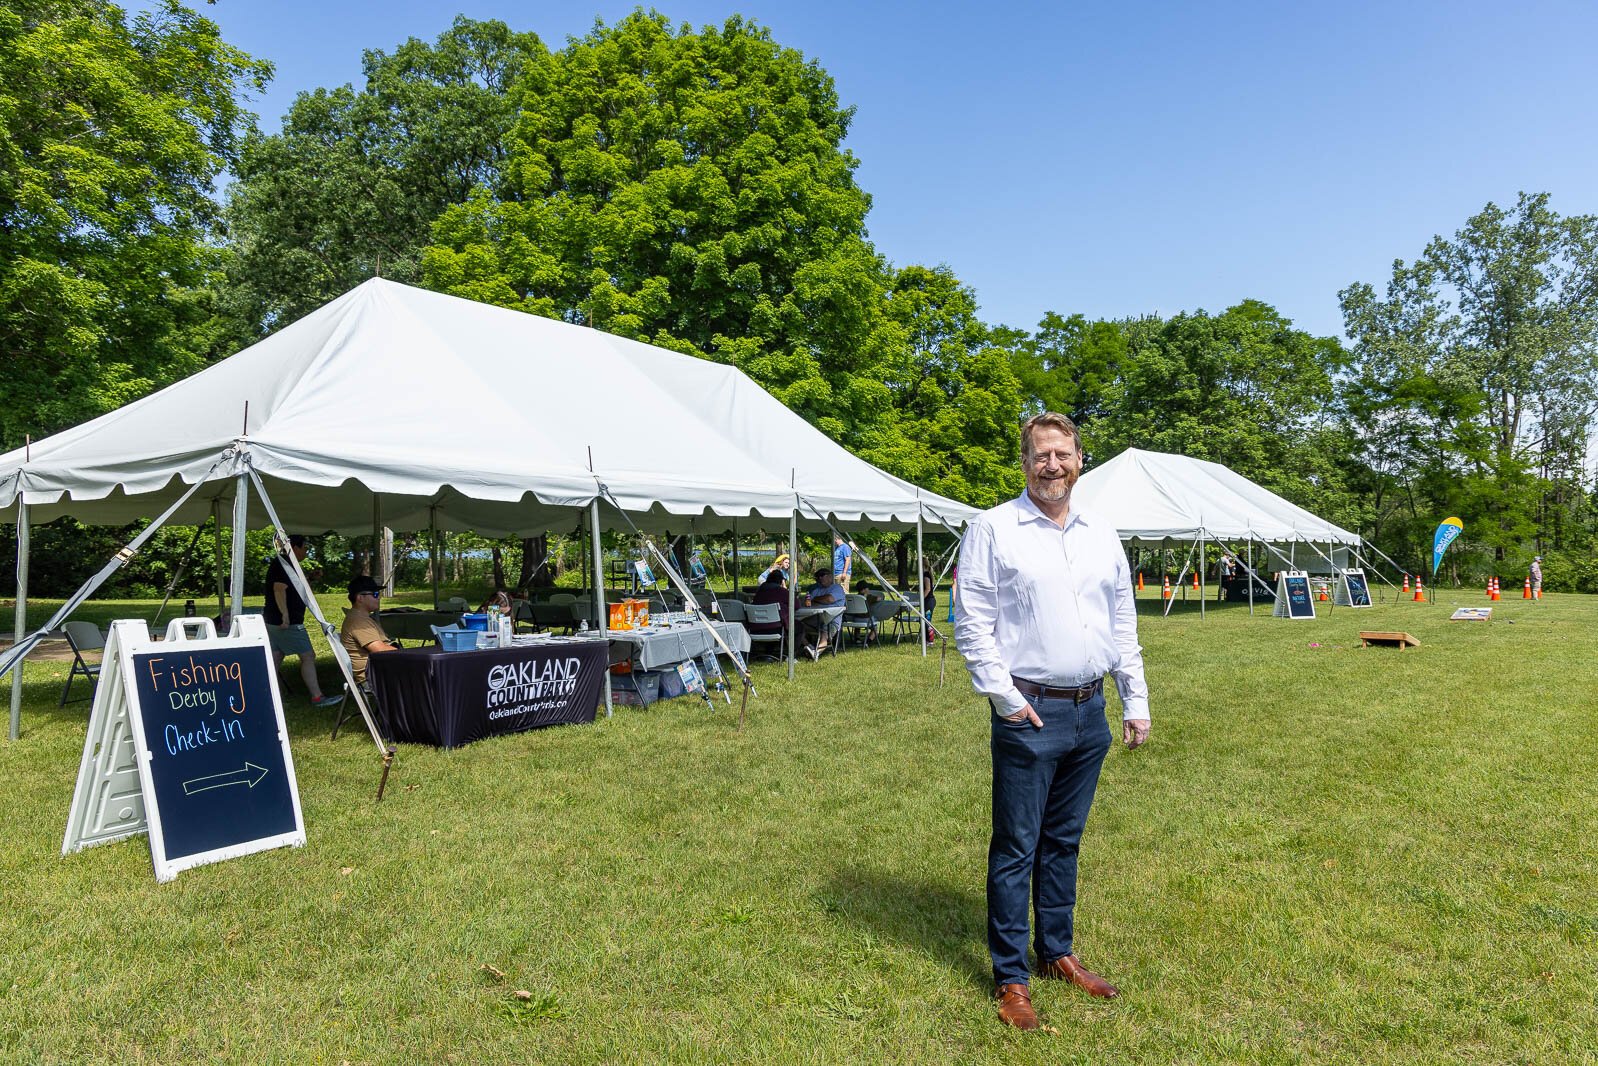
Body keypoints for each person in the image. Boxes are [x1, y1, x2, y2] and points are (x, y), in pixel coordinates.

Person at [955, 411, 1151, 1031]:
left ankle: (1056, 953)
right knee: (1017, 847)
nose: (1052, 465)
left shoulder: (1101, 532)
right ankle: (1011, 977)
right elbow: (972, 621)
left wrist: (1134, 698)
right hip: (1029, 713)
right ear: (1025, 462)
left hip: (1090, 711)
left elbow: (1122, 621)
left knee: (1063, 842)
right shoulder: (994, 528)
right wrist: (1005, 699)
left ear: (1079, 459)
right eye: (1041, 454)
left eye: (1062, 454)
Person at [264, 535, 342, 707]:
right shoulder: (282, 563)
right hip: (286, 622)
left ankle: (266, 696)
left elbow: (294, 585)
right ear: (293, 547)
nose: (306, 551)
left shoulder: (286, 563)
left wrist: (311, 578)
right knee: (308, 656)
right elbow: (279, 590)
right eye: (305, 547)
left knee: (276, 656)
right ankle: (317, 697)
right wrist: (285, 615)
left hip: (273, 620)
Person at [340, 576, 399, 687]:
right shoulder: (359, 621)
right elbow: (380, 650)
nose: (378, 598)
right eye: (375, 594)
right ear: (360, 598)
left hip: (379, 670)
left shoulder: (360, 617)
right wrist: (409, 654)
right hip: (373, 676)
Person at [802, 567, 845, 659]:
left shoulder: (837, 588)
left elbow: (829, 599)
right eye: (818, 576)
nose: (820, 578)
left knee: (824, 634)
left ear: (830, 576)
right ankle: (809, 647)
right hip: (815, 618)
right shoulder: (817, 590)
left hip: (831, 619)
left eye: (822, 575)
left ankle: (816, 653)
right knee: (796, 625)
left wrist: (817, 599)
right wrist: (820, 600)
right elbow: (808, 602)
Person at [747, 569, 791, 646]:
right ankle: (793, 652)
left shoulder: (760, 591)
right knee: (798, 627)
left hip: (755, 628)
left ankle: (768, 651)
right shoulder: (782, 591)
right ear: (781, 581)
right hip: (776, 629)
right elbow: (796, 605)